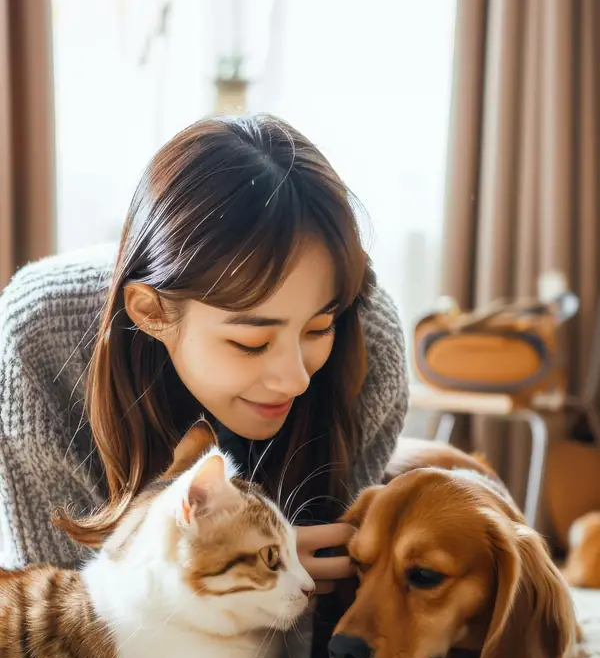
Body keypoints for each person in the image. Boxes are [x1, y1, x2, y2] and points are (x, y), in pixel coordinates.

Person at [0, 114, 408, 610]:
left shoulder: (368, 331)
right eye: (252, 342)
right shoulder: (38, 339)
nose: (296, 379)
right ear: (150, 312)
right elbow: (58, 633)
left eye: (318, 329)